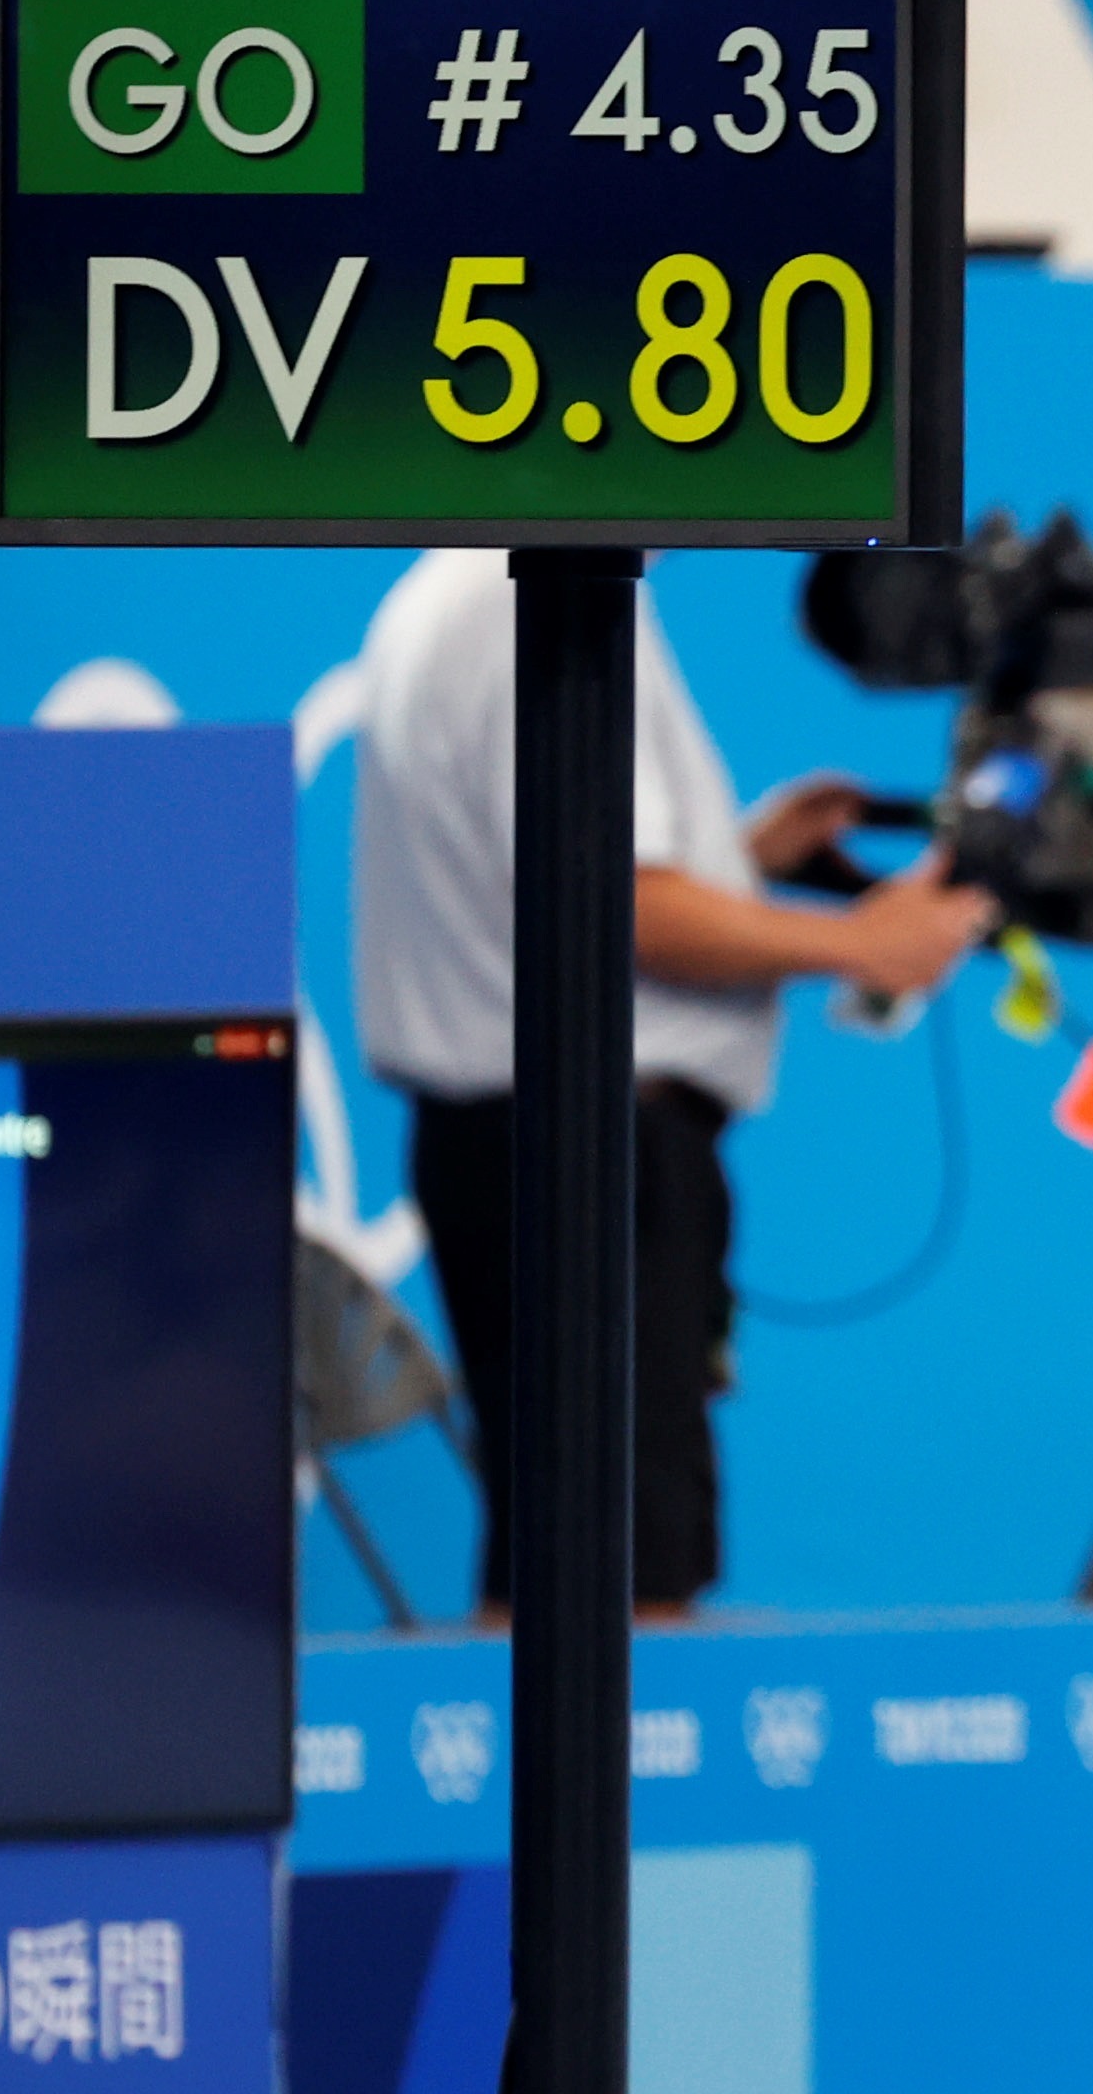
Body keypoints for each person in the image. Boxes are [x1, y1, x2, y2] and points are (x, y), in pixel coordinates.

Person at [351, 549, 996, 1615]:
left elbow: (539, 873)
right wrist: (859, 944)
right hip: (587, 1160)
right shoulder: (554, 598)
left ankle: (560, 1786)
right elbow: (616, 905)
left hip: (520, 1148)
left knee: (563, 1570)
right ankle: (609, 1793)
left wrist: (741, 859)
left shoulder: (449, 591)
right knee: (618, 1592)